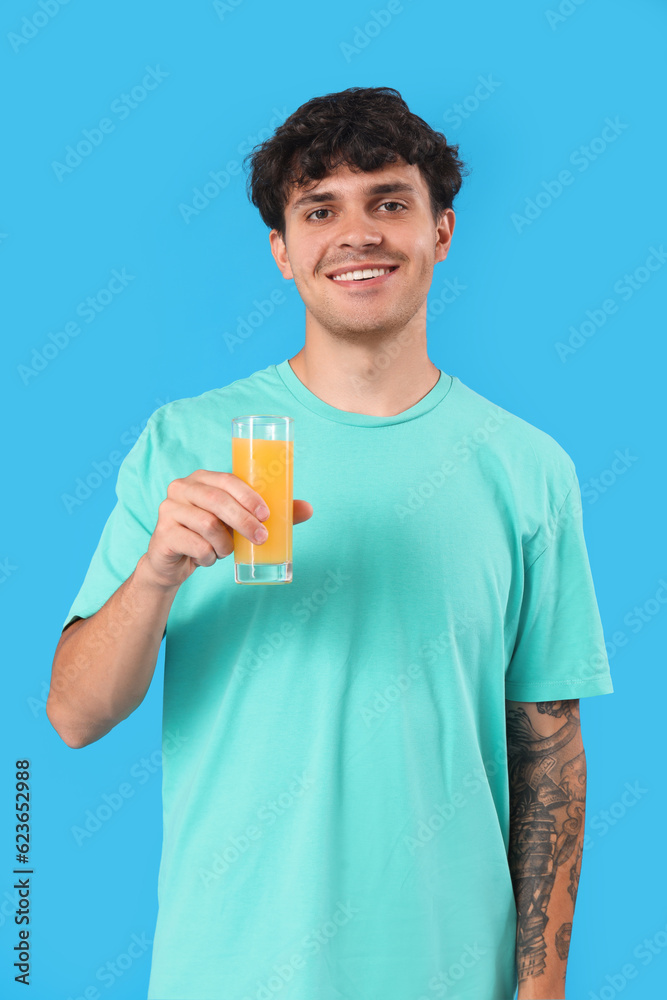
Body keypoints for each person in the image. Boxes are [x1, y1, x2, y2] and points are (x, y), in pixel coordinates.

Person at [47, 86, 613, 1000]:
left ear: (441, 232)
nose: (358, 233)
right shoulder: (185, 442)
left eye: (389, 202)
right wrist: (156, 574)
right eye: (319, 209)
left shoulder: (527, 468)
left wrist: (540, 987)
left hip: (448, 972)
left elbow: (547, 750)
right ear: (281, 250)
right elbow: (74, 716)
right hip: (227, 973)